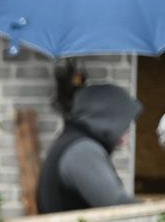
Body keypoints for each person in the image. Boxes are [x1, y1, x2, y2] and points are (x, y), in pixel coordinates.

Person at [35, 83, 142, 214]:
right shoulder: (82, 150)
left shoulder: (73, 142)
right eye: (123, 126)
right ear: (109, 119)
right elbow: (118, 207)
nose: (124, 137)